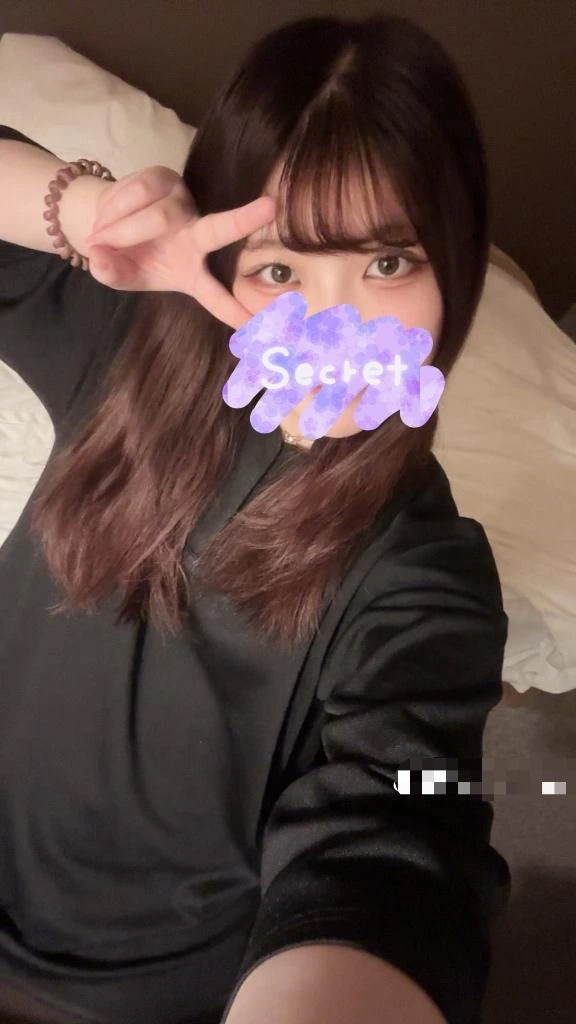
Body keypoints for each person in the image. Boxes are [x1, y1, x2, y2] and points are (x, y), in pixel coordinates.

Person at [0, 13, 511, 1024]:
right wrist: (93, 210)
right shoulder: (128, 350)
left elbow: (399, 836)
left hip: (130, 997)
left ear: (453, 264)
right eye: (281, 270)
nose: (334, 328)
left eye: (387, 264)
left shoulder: (424, 571)